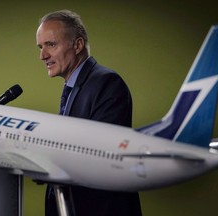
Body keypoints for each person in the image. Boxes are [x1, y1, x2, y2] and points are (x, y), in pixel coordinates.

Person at [36, 9, 142, 216]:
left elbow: (101, 154)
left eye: (51, 45)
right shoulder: (75, 85)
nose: (42, 55)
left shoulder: (106, 83)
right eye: (40, 47)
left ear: (78, 45)